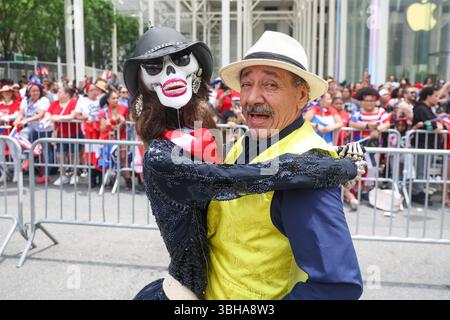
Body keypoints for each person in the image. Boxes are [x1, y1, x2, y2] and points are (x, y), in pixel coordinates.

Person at [124, 27, 364, 300]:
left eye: (270, 85)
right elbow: (231, 180)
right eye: (246, 85)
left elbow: (337, 287)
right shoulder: (244, 144)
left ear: (302, 96)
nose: (252, 98)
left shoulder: (310, 171)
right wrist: (341, 166)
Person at [411, 86, 443, 205]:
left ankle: (421, 190)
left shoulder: (427, 109)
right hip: (421, 144)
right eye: (435, 96)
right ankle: (417, 192)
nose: (437, 99)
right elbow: (432, 125)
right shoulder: (421, 108)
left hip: (427, 144)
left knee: (424, 169)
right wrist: (437, 126)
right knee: (421, 169)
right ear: (428, 96)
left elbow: (434, 124)